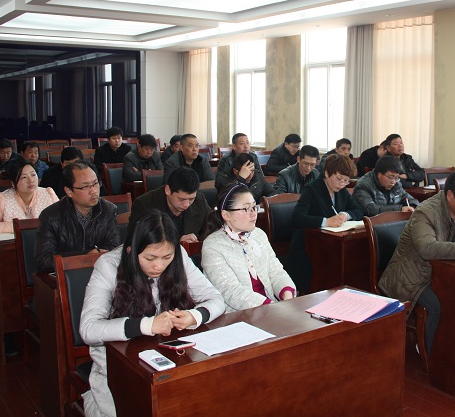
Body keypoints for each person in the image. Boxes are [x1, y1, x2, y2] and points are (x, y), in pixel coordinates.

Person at [80, 209, 225, 417]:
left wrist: (194, 316)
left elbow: (217, 299)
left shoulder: (179, 256)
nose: (159, 266)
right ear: (131, 251)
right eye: (150, 258)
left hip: (170, 357)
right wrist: (146, 325)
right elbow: (89, 329)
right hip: (120, 365)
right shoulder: (109, 265)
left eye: (167, 257)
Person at [378, 170, 455, 355]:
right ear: (450, 195)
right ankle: (429, 353)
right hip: (410, 277)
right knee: (437, 304)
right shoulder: (426, 212)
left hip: (441, 272)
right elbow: (427, 249)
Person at [202, 183, 296, 312]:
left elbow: (276, 271)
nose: (253, 214)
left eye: (254, 207)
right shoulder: (212, 246)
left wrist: (287, 295)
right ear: (226, 215)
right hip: (237, 315)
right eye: (246, 209)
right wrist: (271, 306)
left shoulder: (259, 234)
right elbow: (231, 291)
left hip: (271, 308)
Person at [286, 154, 363, 292]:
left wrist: (345, 215)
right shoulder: (312, 190)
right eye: (338, 178)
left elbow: (358, 210)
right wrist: (325, 221)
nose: (342, 184)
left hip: (332, 247)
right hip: (308, 249)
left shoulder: (342, 191)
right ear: (327, 173)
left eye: (346, 181)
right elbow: (297, 217)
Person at [0, 159, 58, 288]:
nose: (31, 180)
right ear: (13, 183)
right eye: (24, 177)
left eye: (33, 174)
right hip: (13, 254)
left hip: (46, 250)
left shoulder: (48, 193)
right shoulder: (3, 198)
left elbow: (62, 220)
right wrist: (19, 227)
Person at [34, 161, 120, 272]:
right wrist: (85, 257)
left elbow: (114, 249)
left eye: (95, 183)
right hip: (65, 275)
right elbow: (43, 260)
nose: (93, 191)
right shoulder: (51, 216)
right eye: (85, 187)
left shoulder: (108, 210)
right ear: (69, 191)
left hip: (99, 271)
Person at [127, 167, 210, 243]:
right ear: (168, 190)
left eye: (191, 199)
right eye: (181, 199)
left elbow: (211, 228)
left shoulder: (199, 201)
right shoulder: (144, 205)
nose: (186, 205)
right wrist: (176, 244)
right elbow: (136, 242)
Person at [352, 156, 418, 216]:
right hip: (371, 223)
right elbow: (369, 209)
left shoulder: (396, 184)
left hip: (392, 221)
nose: (393, 181)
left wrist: (412, 206)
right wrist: (399, 209)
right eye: (390, 177)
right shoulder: (364, 185)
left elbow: (407, 198)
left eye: (397, 177)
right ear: (379, 174)